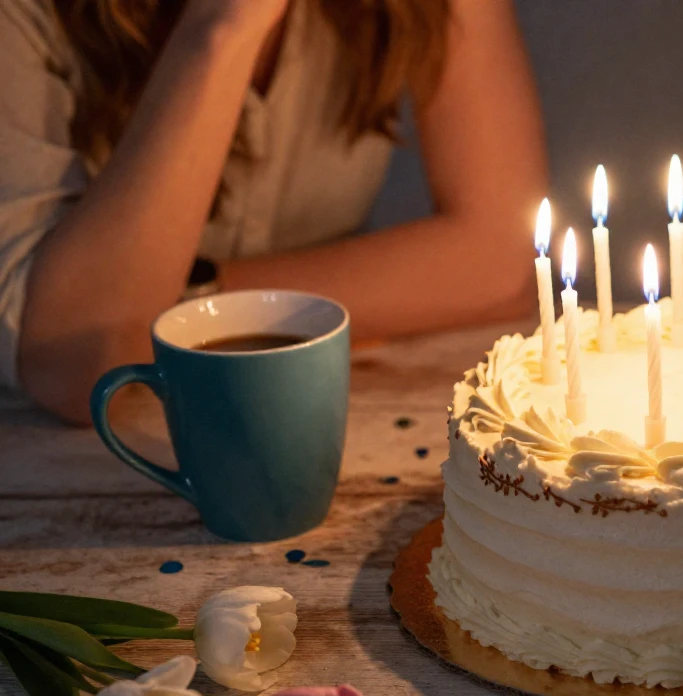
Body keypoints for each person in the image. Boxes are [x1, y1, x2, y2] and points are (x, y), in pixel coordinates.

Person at [0, 0, 547, 423]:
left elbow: (498, 264)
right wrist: (225, 25)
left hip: (333, 416)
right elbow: (76, 361)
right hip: (62, 472)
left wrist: (184, 307)